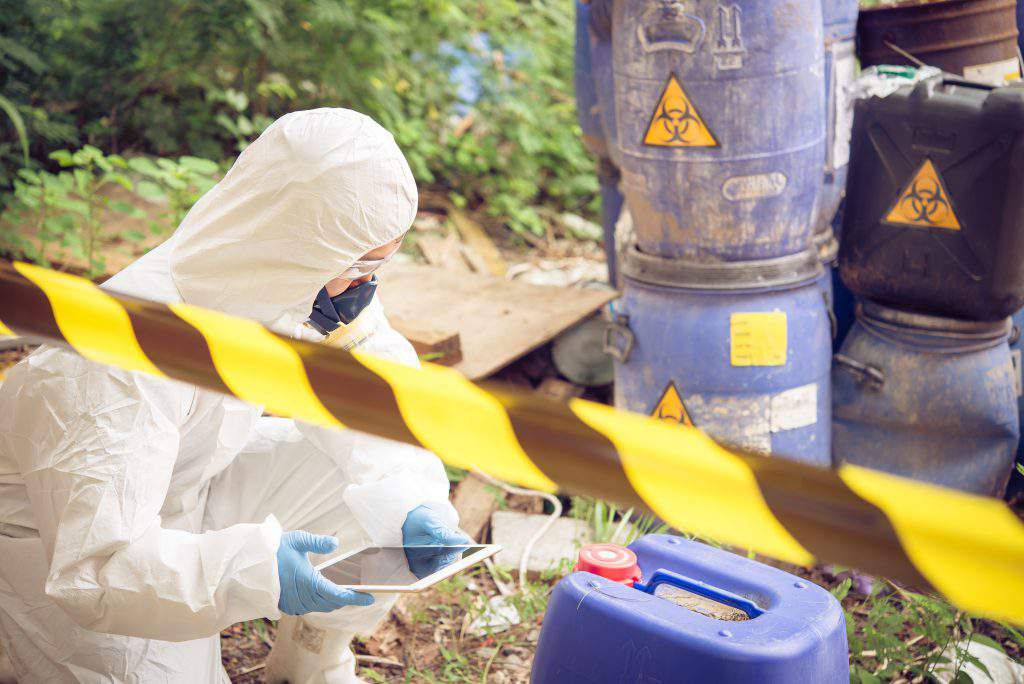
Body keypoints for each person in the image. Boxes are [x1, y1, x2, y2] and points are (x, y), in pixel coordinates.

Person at [0, 108, 469, 683]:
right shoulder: (115, 364)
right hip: (72, 558)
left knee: (362, 480)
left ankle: (313, 660)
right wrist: (255, 570)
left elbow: (375, 389)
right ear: (296, 244)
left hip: (183, 493)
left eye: (380, 264)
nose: (366, 286)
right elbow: (97, 570)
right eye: (360, 265)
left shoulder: (284, 286)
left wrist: (411, 496)